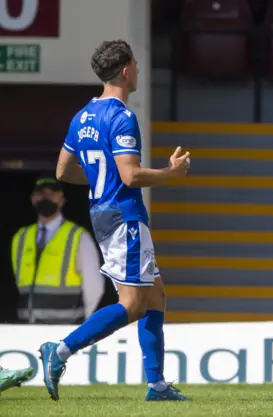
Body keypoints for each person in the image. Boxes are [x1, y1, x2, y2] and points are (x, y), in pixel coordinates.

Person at [38, 40, 191, 402]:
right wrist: (172, 173)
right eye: (136, 64)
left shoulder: (83, 116)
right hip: (125, 215)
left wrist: (101, 177)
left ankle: (157, 385)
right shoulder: (122, 116)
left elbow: (63, 171)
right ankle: (59, 350)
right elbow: (130, 176)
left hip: (104, 212)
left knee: (156, 296)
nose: (138, 69)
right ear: (125, 70)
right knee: (134, 304)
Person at [12, 177, 104, 324]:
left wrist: (80, 324)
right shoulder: (21, 237)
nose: (45, 197)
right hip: (26, 327)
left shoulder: (78, 237)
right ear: (32, 199)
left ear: (61, 199)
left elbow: (94, 286)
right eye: (41, 193)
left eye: (51, 193)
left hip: (64, 328)